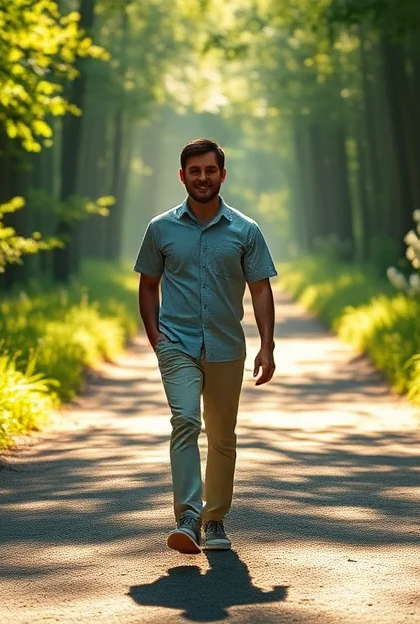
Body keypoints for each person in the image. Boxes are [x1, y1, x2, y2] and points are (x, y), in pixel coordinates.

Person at [133, 138, 278, 554]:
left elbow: (261, 290)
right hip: (176, 343)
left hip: (226, 346)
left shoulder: (245, 230)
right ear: (182, 176)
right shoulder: (160, 229)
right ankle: (188, 516)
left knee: (221, 434)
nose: (202, 178)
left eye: (209, 171)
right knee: (184, 420)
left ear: (222, 175)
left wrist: (267, 346)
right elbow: (148, 285)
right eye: (194, 171)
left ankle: (215, 519)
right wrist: (156, 338)